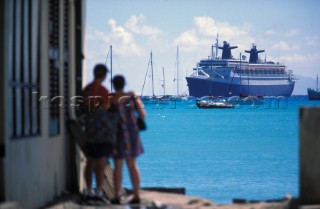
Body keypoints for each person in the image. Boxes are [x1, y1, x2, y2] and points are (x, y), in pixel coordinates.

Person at [110, 75, 146, 204]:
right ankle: (136, 195)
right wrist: (136, 98)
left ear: (113, 84)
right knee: (132, 165)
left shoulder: (111, 99)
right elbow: (143, 115)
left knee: (118, 166)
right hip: (131, 134)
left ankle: (116, 196)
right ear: (124, 84)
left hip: (117, 135)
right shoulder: (131, 98)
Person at [82, 64, 112, 200]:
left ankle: (88, 189)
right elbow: (106, 109)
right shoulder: (103, 91)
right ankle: (99, 191)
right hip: (101, 132)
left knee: (89, 162)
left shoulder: (87, 89)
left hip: (89, 130)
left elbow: (83, 107)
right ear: (104, 75)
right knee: (100, 163)